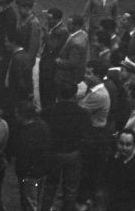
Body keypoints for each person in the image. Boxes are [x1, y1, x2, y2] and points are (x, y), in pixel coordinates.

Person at [40, 81, 90, 211]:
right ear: (74, 94)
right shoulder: (83, 113)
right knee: (70, 189)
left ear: (58, 94)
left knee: (50, 186)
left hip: (53, 153)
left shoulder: (47, 112)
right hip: (73, 153)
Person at [76, 60, 112, 210]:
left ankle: (85, 200)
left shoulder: (99, 95)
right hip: (94, 133)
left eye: (89, 73)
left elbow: (78, 109)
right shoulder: (94, 90)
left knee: (88, 169)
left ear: (98, 75)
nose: (85, 76)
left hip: (95, 135)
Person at [10, 100, 51, 211]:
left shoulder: (24, 133)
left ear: (21, 114)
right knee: (38, 199)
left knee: (30, 203)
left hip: (28, 175)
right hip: (42, 171)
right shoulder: (43, 125)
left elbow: (22, 156)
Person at [105, 129, 135, 211]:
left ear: (134, 145)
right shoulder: (113, 160)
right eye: (121, 143)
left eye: (128, 145)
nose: (124, 148)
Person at [55, 15, 89, 85]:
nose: (67, 25)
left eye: (69, 24)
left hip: (69, 75)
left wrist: (59, 61)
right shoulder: (83, 34)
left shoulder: (76, 43)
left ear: (76, 26)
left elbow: (72, 62)